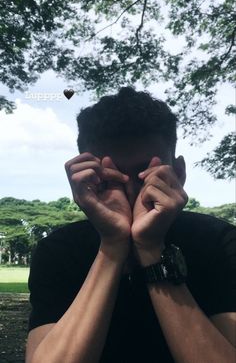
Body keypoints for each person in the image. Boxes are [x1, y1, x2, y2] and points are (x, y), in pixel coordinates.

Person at [26, 87, 236, 363]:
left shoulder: (219, 242)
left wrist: (151, 248)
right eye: (111, 180)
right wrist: (113, 245)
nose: (132, 194)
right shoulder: (59, 250)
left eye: (145, 175)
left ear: (180, 173)